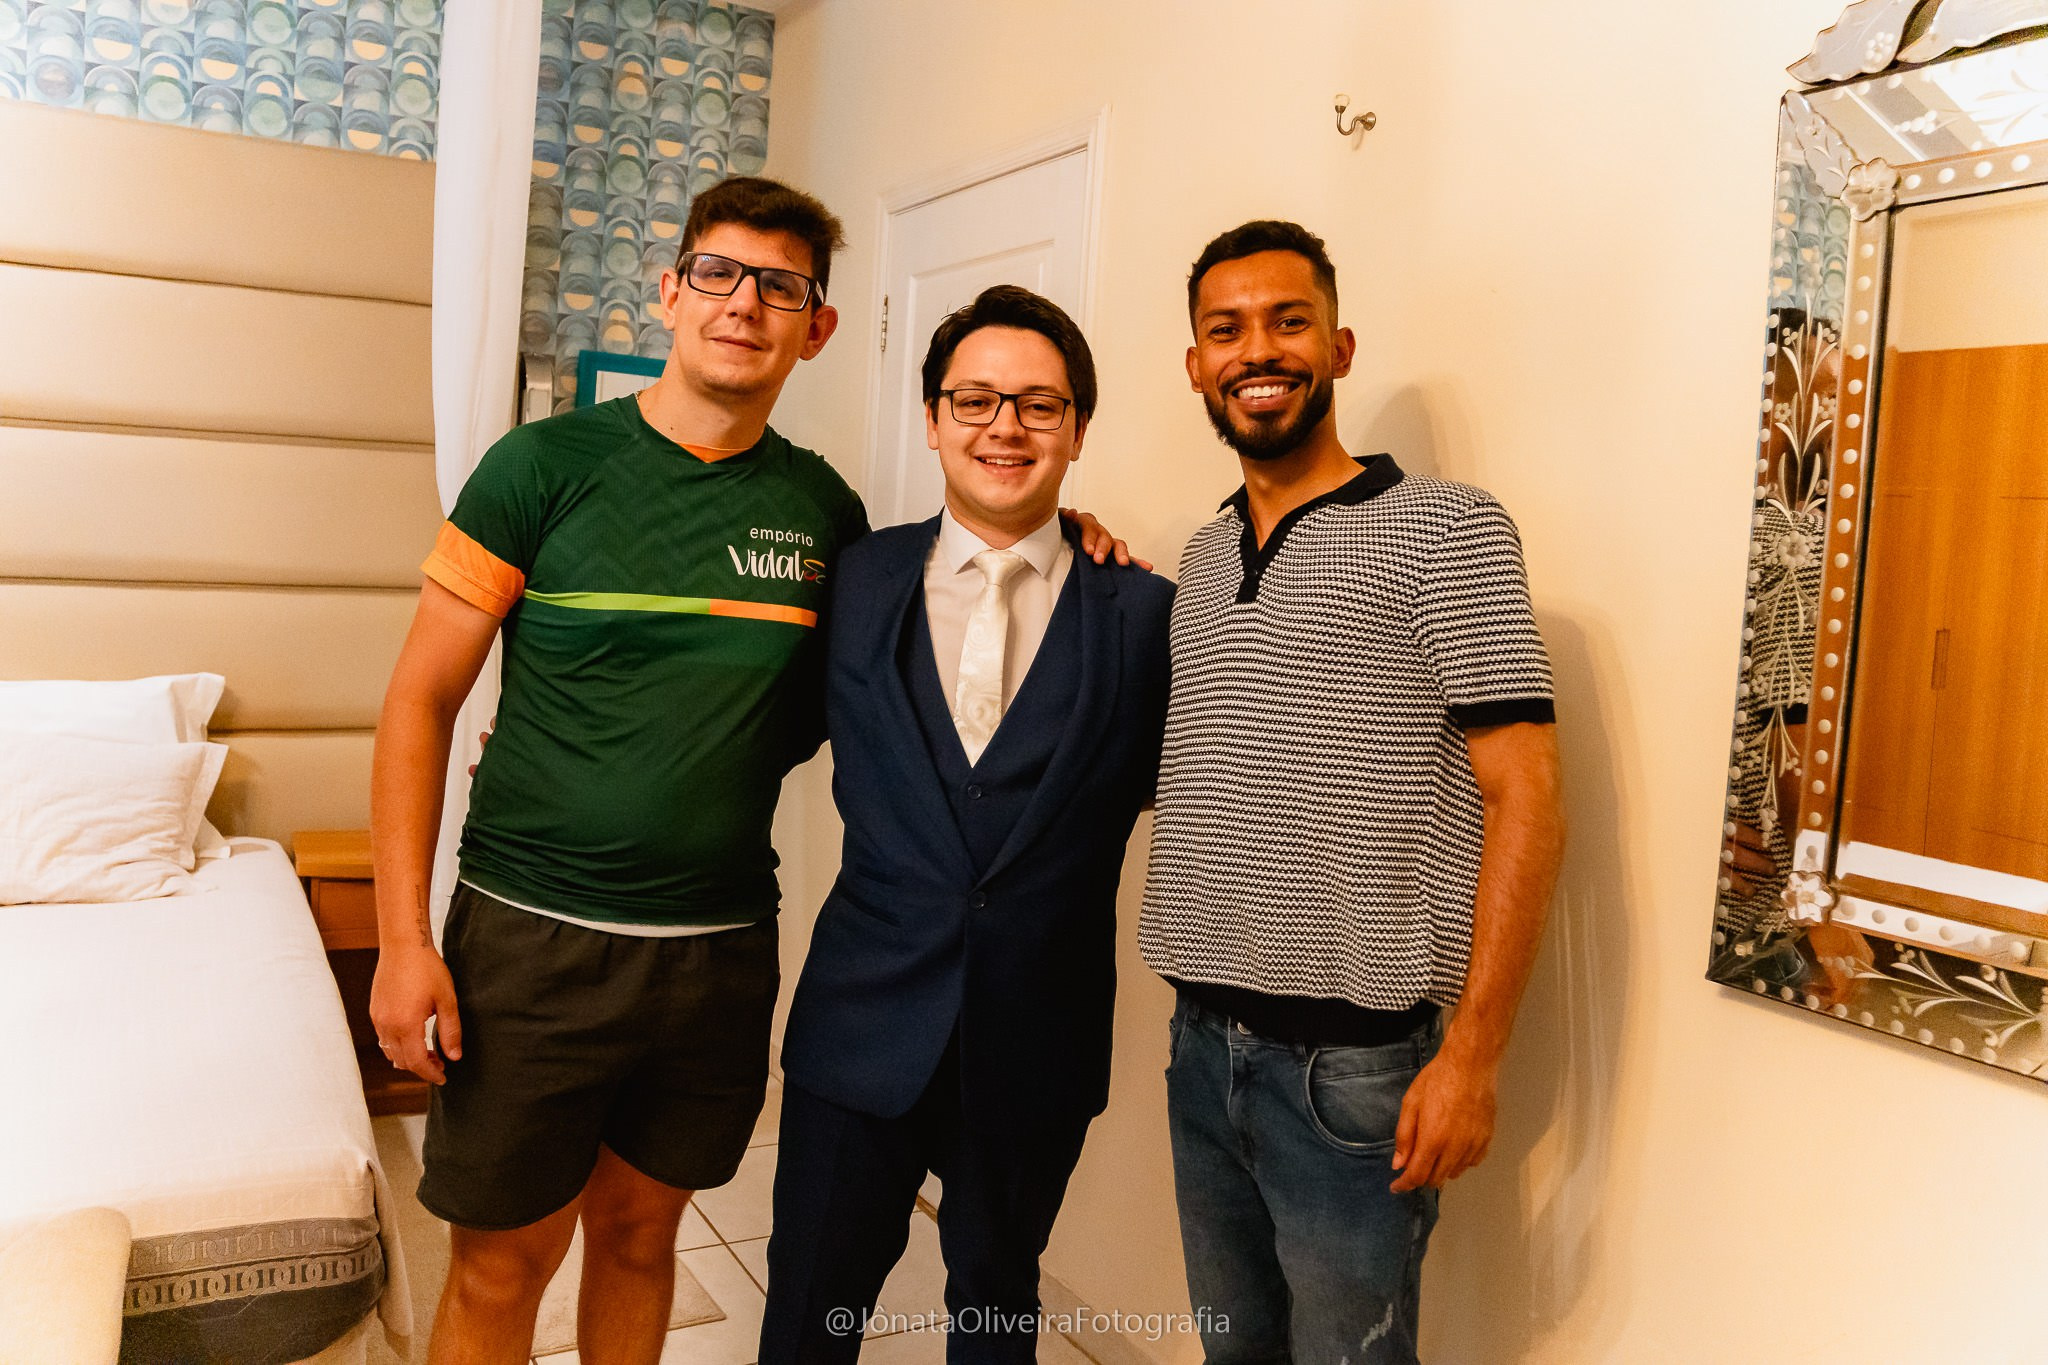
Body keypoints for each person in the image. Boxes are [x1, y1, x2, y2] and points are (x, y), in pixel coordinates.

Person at [367, 176, 1130, 1365]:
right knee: (505, 1262)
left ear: (817, 328)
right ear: (670, 290)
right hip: (531, 938)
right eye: (717, 273)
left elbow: (873, 687)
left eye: (782, 286)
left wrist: (1075, 547)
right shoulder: (538, 468)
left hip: (716, 953)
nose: (743, 304)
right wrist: (404, 940)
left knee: (637, 1238)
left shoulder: (827, 519)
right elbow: (418, 704)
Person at [1140, 220, 1567, 1364]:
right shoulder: (1199, 555)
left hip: (1352, 1075)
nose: (1255, 350)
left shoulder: (1446, 530)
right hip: (1196, 1045)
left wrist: (1471, 1057)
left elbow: (1523, 797)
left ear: (1337, 345)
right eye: (1223, 329)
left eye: (1287, 320)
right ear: (1194, 364)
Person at [760, 286, 1173, 1363]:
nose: (1004, 427)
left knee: (995, 1311)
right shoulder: (851, 576)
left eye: (1038, 405)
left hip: (1036, 1037)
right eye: (975, 399)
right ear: (933, 418)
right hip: (858, 1023)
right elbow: (741, 712)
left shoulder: (1144, 614)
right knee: (810, 1308)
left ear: (1078, 428)